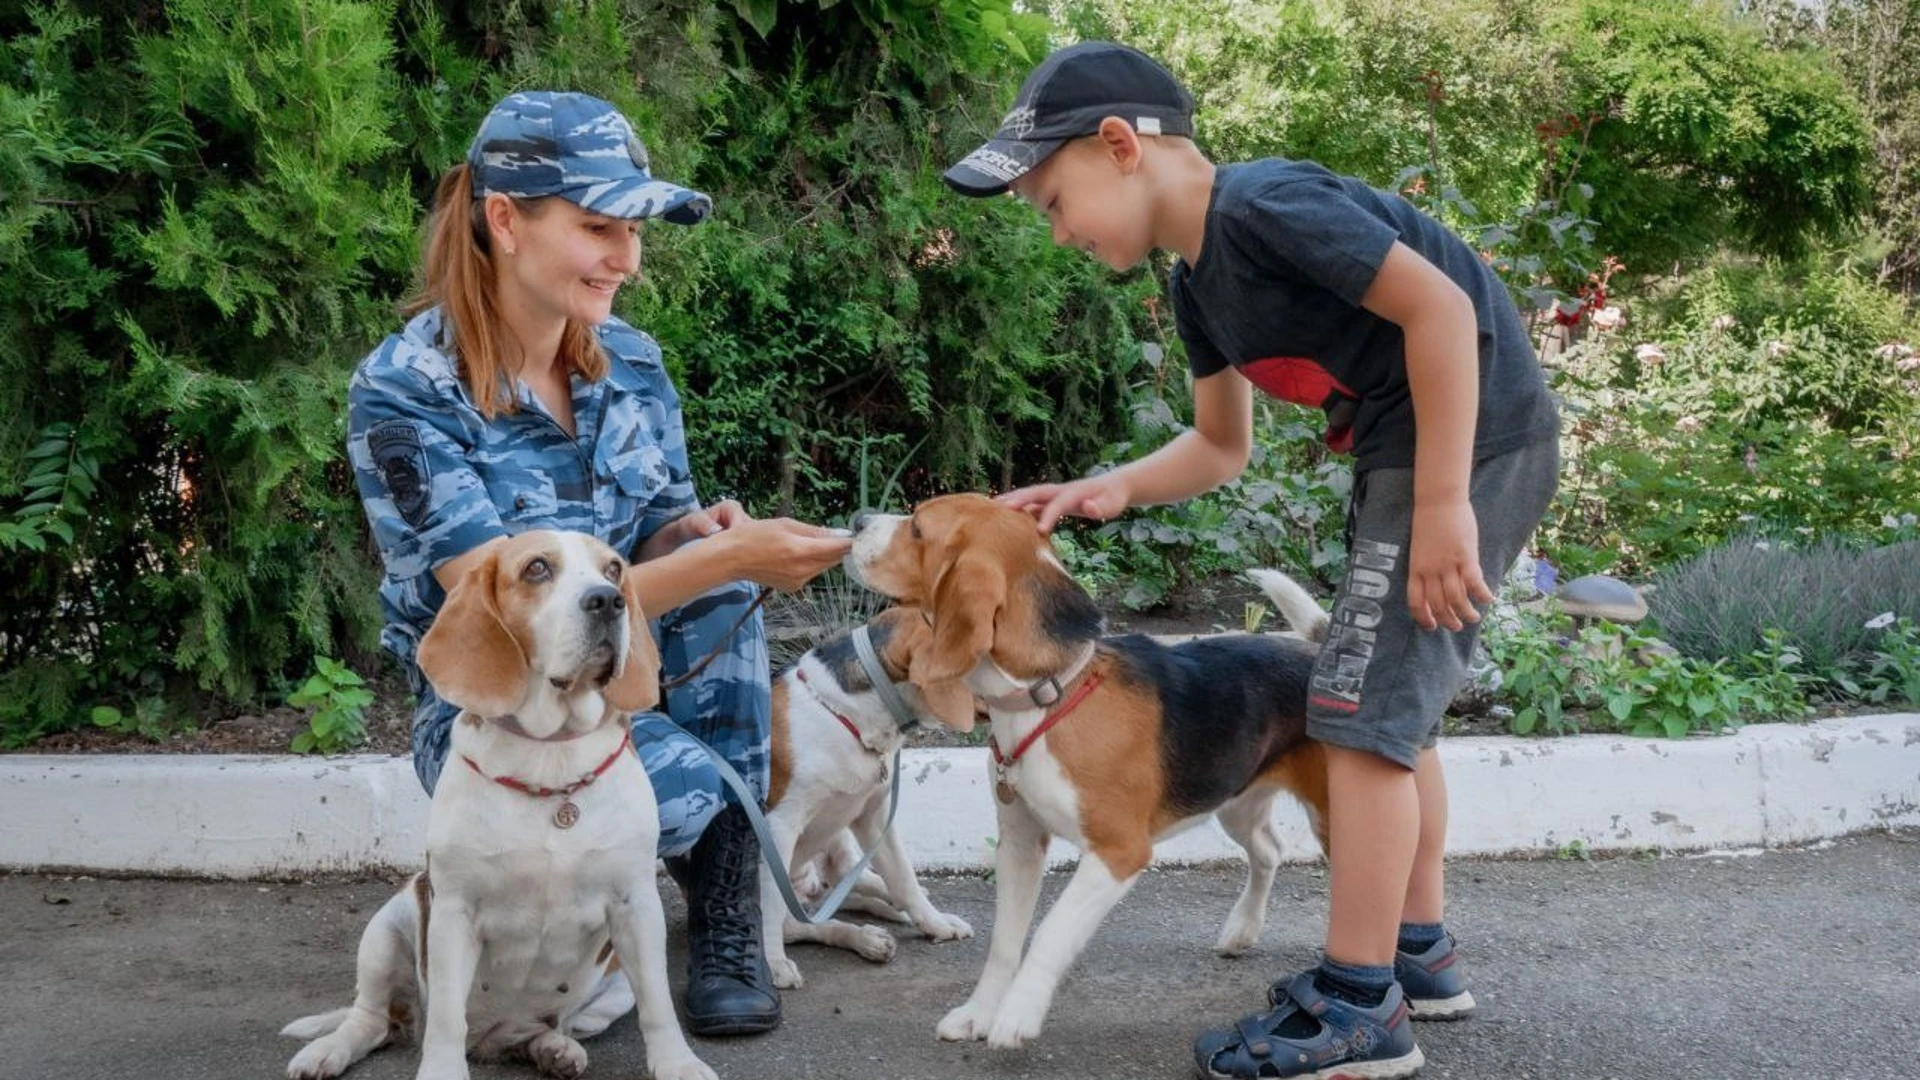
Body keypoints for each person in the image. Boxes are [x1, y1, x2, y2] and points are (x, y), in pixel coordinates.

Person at [944, 43, 1560, 1079]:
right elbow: (1221, 447)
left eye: (1054, 200)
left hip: (1469, 441)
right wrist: (1115, 487)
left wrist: (1449, 499)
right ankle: (1419, 952)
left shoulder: (1260, 208)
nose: (1056, 229)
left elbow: (1443, 312)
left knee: (1359, 720)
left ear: (1119, 145)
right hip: (1409, 450)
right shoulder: (1198, 286)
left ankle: (1362, 1005)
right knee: (1393, 714)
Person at [347, 91, 851, 1037]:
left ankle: (726, 909)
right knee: (683, 782)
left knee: (720, 576)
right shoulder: (406, 391)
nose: (628, 257)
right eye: (599, 227)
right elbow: (492, 606)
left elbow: (658, 525)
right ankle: (695, 847)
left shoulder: (632, 361)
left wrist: (703, 536)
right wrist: (721, 558)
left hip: (625, 667)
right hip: (493, 698)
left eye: (633, 230)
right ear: (504, 220)